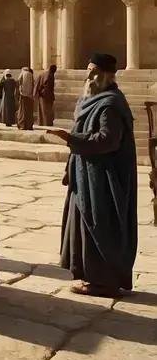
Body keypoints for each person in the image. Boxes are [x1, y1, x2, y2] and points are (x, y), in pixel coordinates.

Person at [48, 53, 137, 298]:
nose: (88, 76)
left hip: (103, 181)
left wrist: (71, 139)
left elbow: (108, 140)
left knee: (100, 226)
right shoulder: (93, 100)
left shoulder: (110, 104)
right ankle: (90, 276)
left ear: (105, 75)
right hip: (86, 175)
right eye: (88, 70)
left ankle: (104, 282)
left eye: (93, 71)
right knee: (84, 225)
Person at [16, 66, 36, 130]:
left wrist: (19, 92)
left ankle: (22, 125)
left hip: (23, 95)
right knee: (29, 111)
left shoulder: (22, 73)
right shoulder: (30, 74)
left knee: (22, 111)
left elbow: (18, 82)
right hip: (30, 96)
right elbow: (33, 84)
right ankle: (29, 125)